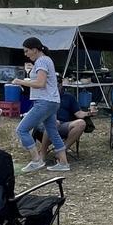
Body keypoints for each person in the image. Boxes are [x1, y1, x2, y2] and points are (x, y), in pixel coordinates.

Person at [11, 37, 70, 173]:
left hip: (44, 102)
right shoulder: (45, 60)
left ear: (35, 49)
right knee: (52, 132)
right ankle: (64, 163)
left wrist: (20, 81)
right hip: (52, 101)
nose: (25, 54)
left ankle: (36, 160)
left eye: (27, 51)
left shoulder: (42, 61)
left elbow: (40, 83)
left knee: (22, 129)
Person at [37, 83, 97, 159]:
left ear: (61, 85)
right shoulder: (43, 96)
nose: (55, 87)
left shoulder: (69, 97)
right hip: (45, 124)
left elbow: (78, 113)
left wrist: (89, 113)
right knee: (53, 123)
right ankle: (43, 153)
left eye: (58, 85)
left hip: (64, 125)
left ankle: (61, 151)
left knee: (81, 123)